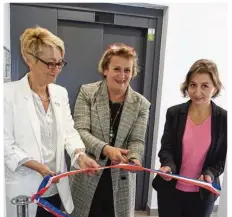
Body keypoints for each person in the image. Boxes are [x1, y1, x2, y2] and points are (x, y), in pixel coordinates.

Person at [4, 26, 99, 217]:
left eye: (60, 63)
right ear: (28, 59)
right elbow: (5, 144)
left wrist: (80, 156)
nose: (56, 70)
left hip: (55, 186)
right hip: (26, 188)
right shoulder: (7, 94)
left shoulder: (59, 93)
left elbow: (69, 133)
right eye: (50, 63)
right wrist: (38, 167)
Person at [69, 43, 150, 217]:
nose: (122, 76)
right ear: (105, 69)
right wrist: (107, 149)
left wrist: (134, 158)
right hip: (89, 173)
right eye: (116, 69)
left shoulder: (141, 104)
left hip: (120, 180)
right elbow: (80, 131)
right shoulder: (87, 92)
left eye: (127, 70)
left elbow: (137, 140)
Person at [152, 59, 227, 217]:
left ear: (215, 88)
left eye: (204, 86)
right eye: (193, 85)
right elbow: (167, 148)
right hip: (170, 191)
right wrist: (168, 165)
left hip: (202, 195)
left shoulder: (224, 119)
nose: (197, 92)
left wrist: (210, 174)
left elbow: (221, 159)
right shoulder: (174, 113)